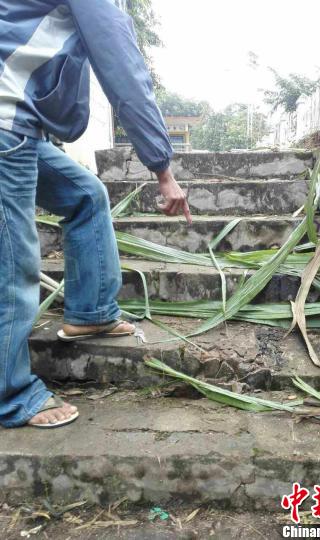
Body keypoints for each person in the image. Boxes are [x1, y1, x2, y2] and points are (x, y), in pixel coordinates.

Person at [0, 0, 192, 429]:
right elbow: (122, 69)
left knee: (86, 193)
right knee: (13, 264)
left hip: (18, 128)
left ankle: (91, 313)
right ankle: (10, 395)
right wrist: (162, 168)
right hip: (5, 123)